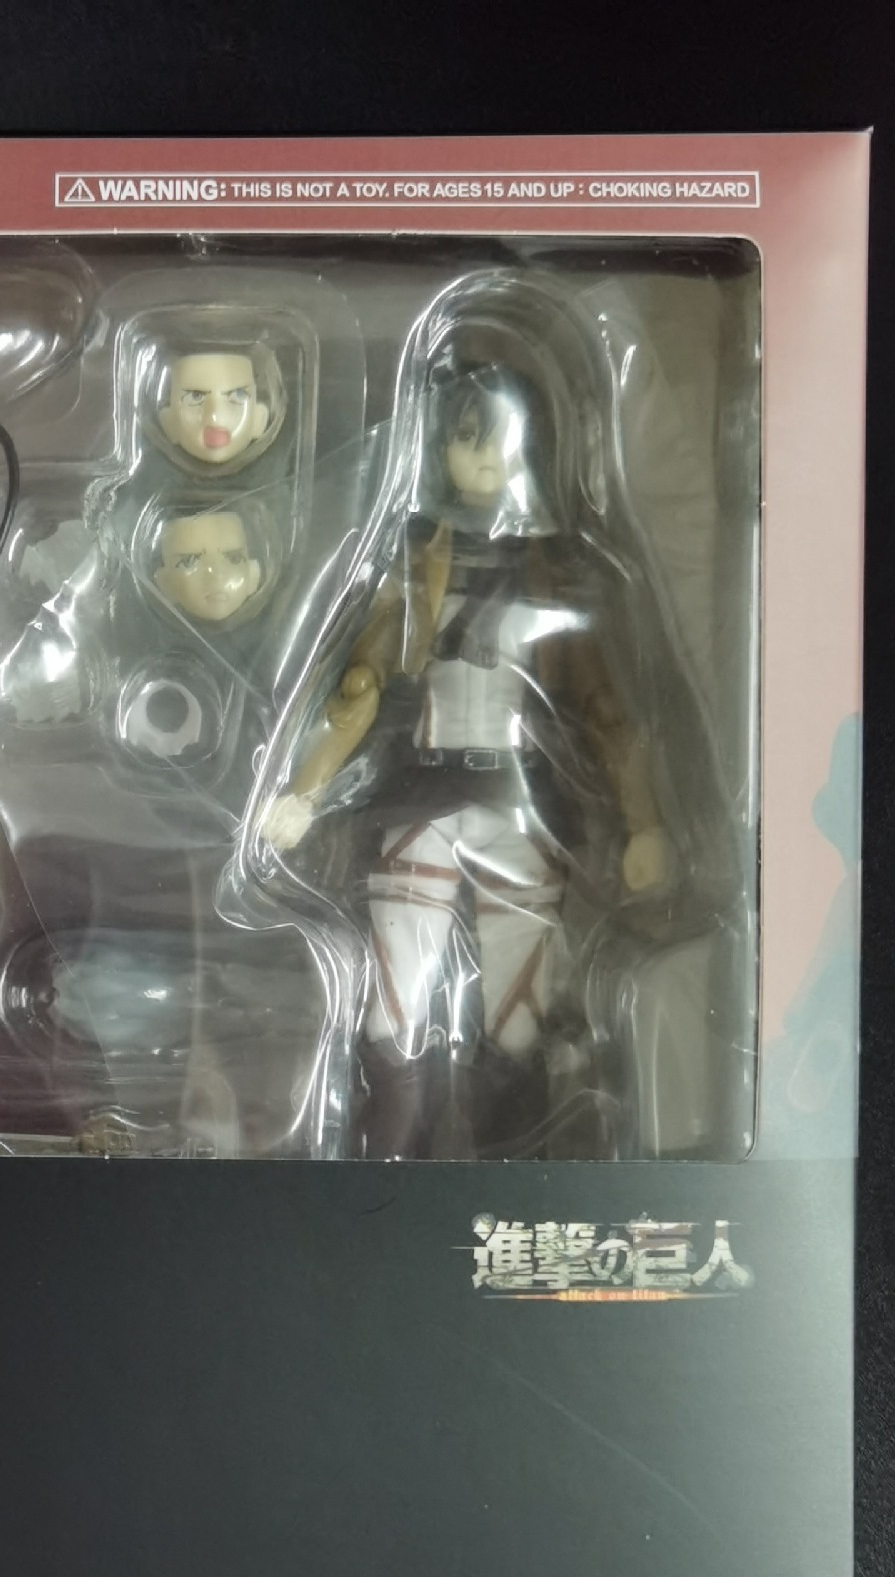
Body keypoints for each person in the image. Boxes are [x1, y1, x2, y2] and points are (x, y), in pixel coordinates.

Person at [261, 350, 669, 1156]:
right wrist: (305, 791)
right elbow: (358, 689)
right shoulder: (412, 565)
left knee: (517, 1017)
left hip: (520, 803)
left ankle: (513, 1164)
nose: (486, 456)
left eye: (504, 437)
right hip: (423, 794)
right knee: (395, 1009)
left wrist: (644, 821)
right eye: (469, 436)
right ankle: (386, 1165)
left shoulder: (558, 574)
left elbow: (604, 712)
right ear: (439, 446)